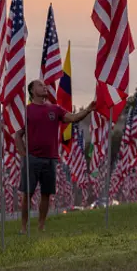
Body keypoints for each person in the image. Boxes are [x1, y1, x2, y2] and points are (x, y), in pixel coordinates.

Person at [14, 79, 95, 233]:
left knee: (46, 193)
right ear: (32, 91)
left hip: (50, 158)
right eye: (40, 85)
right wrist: (24, 155)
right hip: (32, 158)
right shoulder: (26, 110)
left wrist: (88, 110)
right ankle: (24, 227)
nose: (44, 87)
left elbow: (72, 118)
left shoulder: (55, 109)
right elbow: (18, 134)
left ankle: (41, 226)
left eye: (44, 85)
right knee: (27, 194)